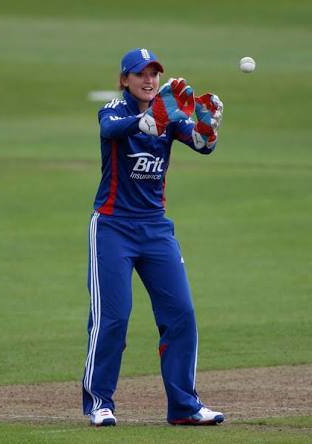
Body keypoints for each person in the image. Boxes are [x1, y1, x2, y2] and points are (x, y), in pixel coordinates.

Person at [82, 48, 224, 427]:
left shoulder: (167, 115)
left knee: (182, 313)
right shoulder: (114, 109)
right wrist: (145, 121)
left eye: (154, 74)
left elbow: (200, 143)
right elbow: (109, 129)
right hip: (113, 227)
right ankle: (100, 403)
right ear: (125, 79)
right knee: (112, 318)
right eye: (141, 74)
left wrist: (207, 131)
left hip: (155, 229)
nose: (149, 81)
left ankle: (184, 406)